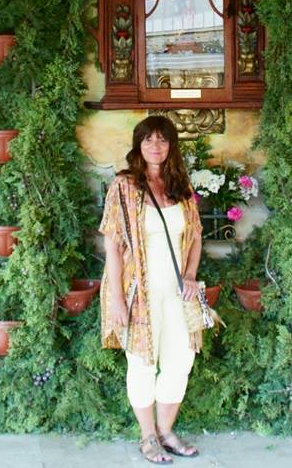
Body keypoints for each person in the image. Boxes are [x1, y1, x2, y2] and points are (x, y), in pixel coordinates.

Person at [99, 115, 204, 463]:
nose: (155, 146)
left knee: (180, 359)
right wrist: (117, 300)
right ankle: (148, 437)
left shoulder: (180, 186)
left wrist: (191, 275)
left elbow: (196, 236)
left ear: (171, 145)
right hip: (137, 291)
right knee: (142, 361)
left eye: (162, 139)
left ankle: (166, 431)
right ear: (138, 145)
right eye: (148, 140)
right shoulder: (124, 186)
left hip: (177, 292)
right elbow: (113, 246)